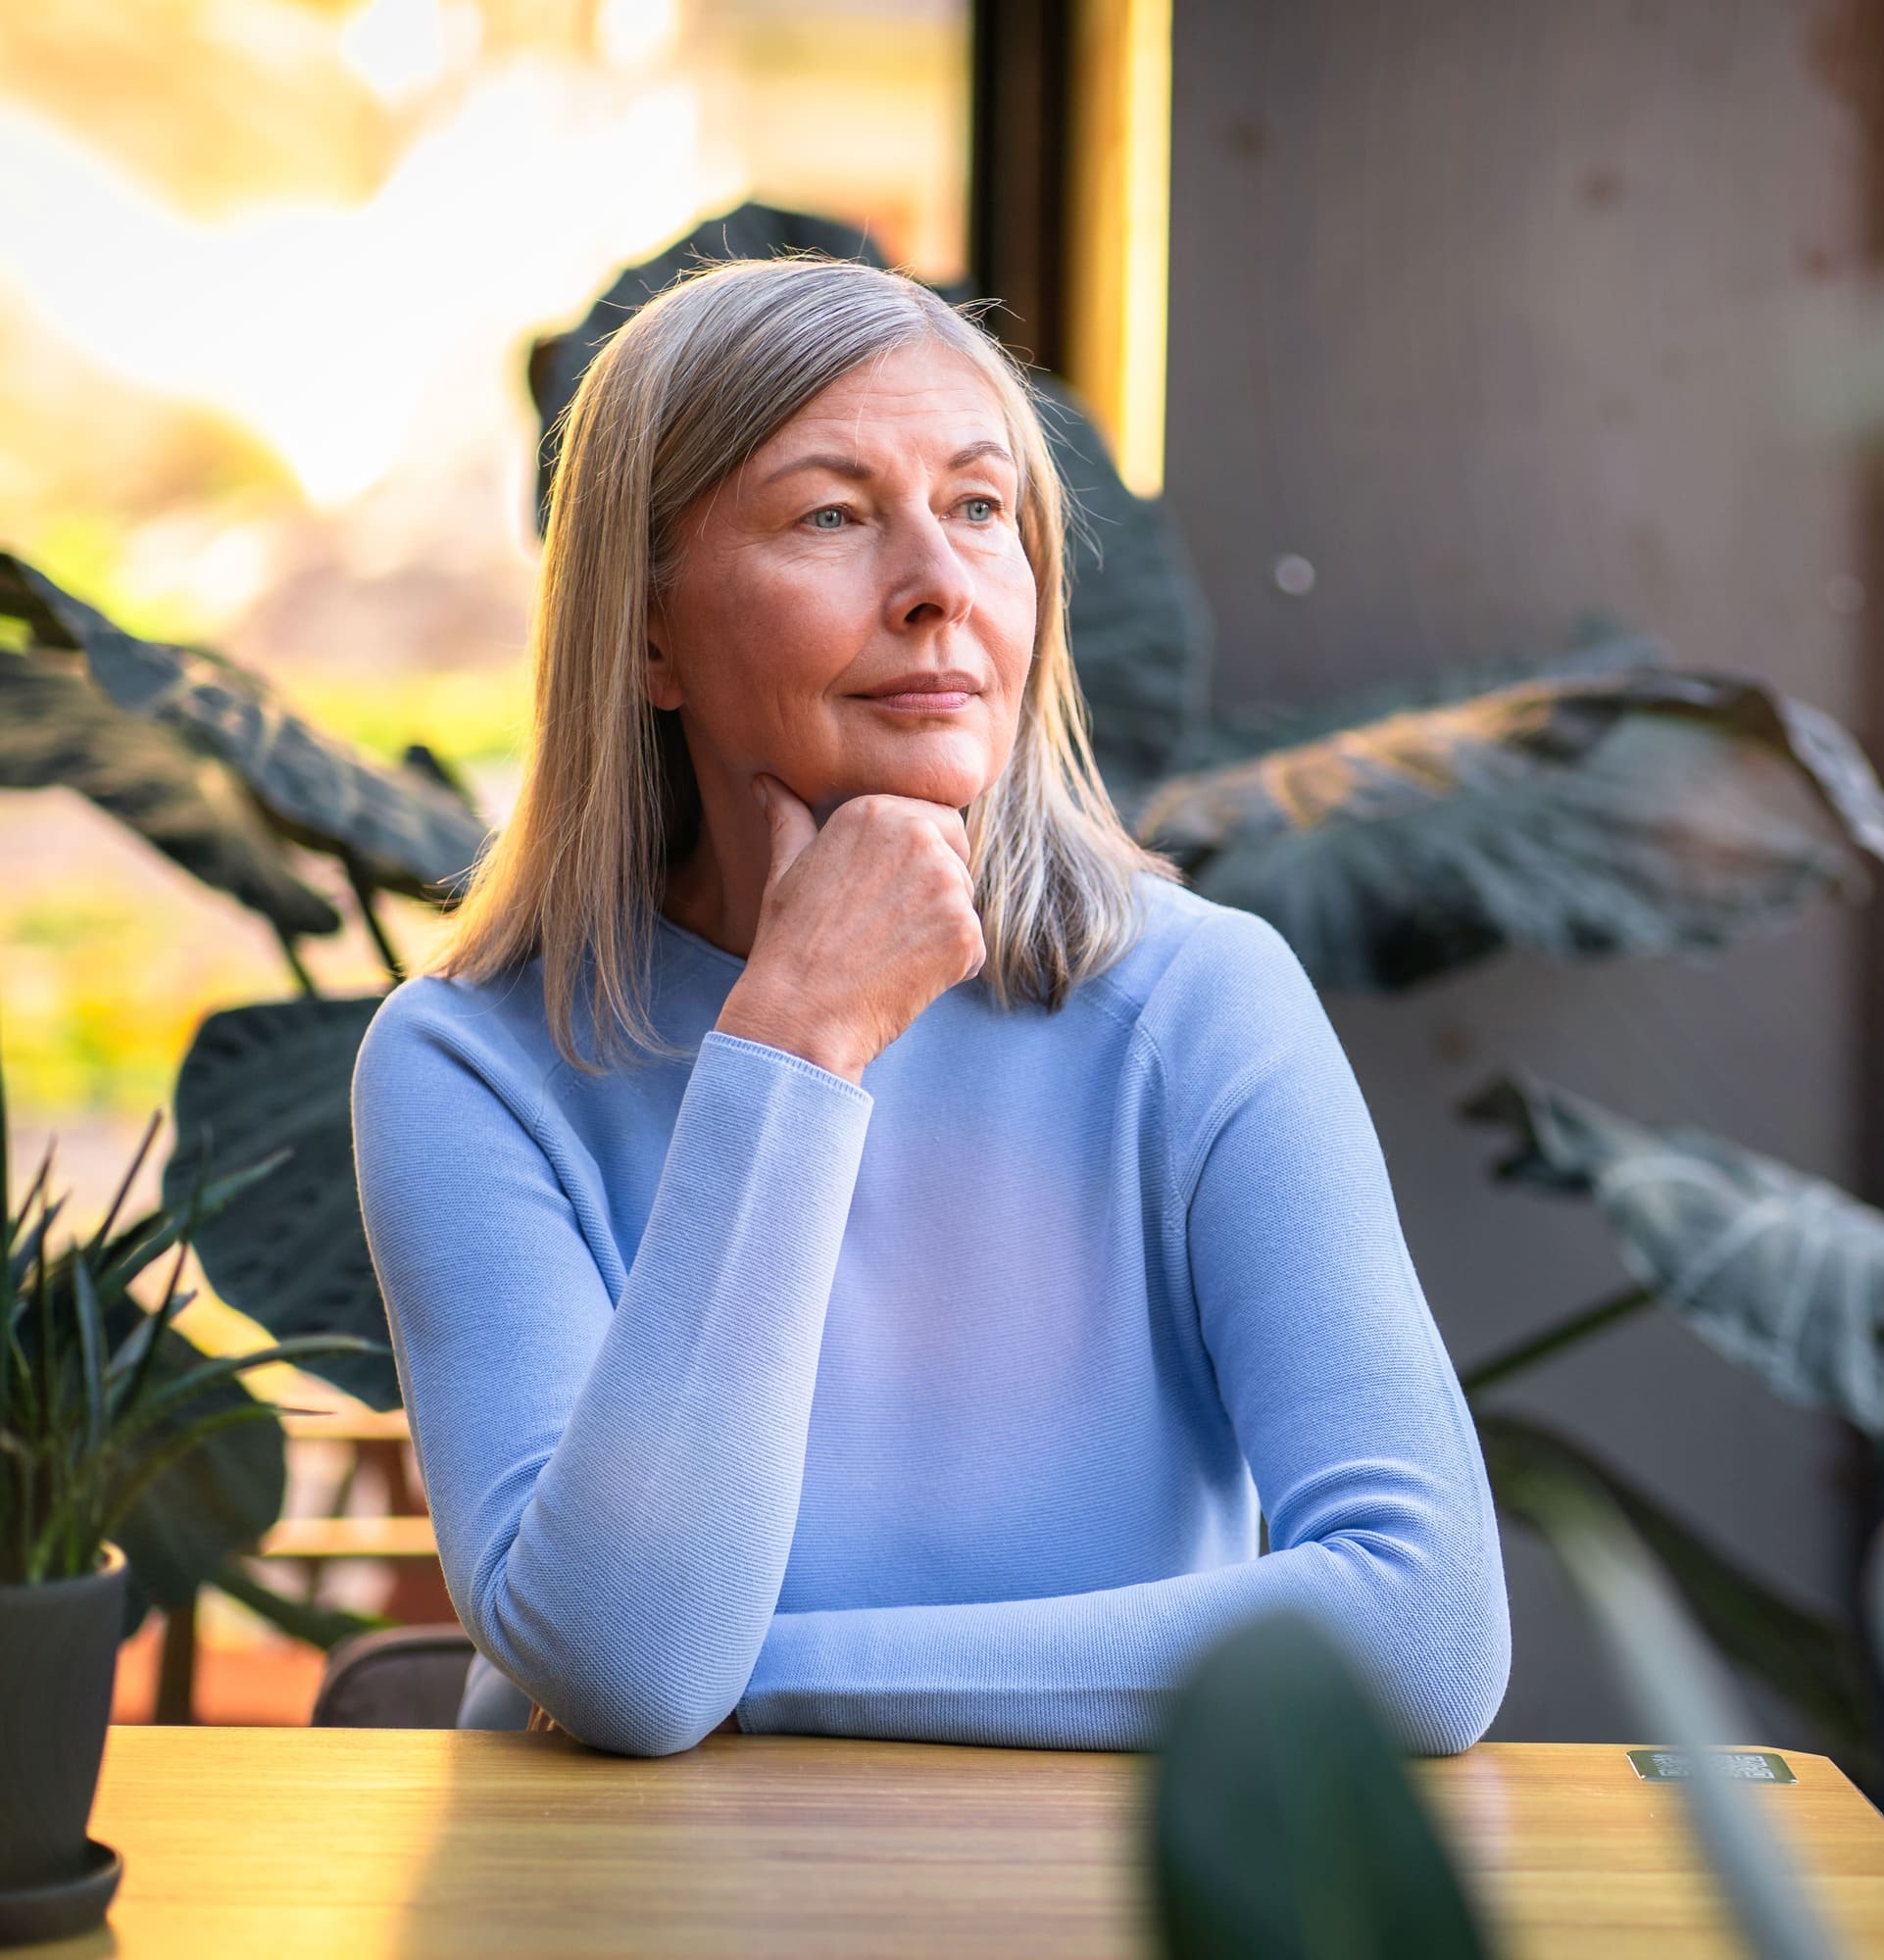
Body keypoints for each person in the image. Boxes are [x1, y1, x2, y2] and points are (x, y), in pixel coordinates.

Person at [348, 256, 1512, 1757]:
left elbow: (1421, 1633)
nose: (939, 586)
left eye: (979, 510)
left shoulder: (1200, 1006)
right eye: (833, 515)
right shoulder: (471, 1066)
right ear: (645, 635)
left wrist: (762, 1677)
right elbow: (638, 1670)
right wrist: (795, 1043)